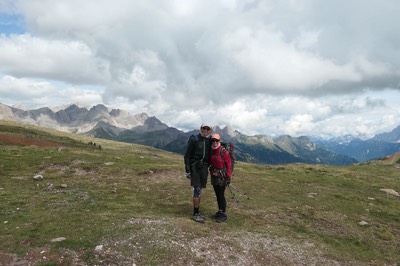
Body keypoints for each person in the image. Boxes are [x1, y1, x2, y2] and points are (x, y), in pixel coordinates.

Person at [184, 123, 213, 223]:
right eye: (204, 128)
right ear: (200, 129)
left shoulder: (209, 141)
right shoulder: (194, 139)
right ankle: (195, 213)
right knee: (197, 189)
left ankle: (197, 212)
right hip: (195, 167)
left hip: (204, 168)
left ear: (210, 131)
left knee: (199, 189)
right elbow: (187, 155)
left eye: (207, 128)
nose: (205, 130)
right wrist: (188, 170)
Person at [209, 133, 232, 223]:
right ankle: (220, 211)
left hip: (222, 176)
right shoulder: (211, 150)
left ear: (219, 141)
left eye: (216, 140)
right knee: (217, 194)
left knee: (221, 195)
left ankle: (223, 214)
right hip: (214, 176)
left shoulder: (223, 151)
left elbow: (229, 163)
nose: (215, 142)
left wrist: (228, 176)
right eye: (213, 140)